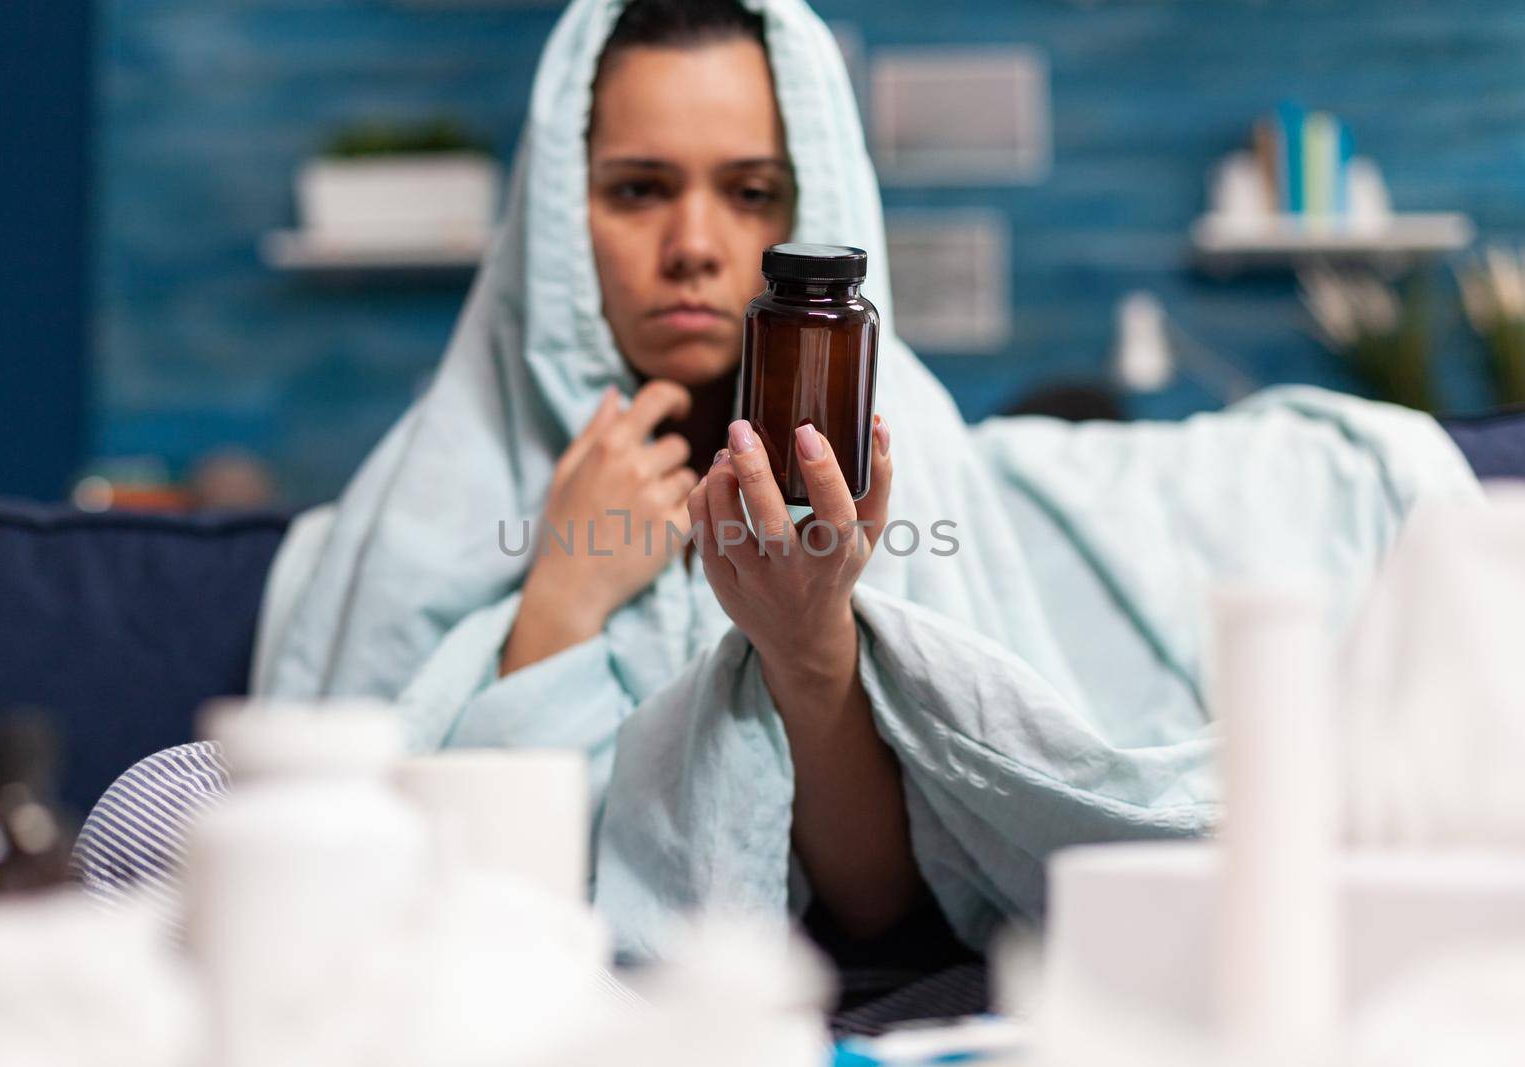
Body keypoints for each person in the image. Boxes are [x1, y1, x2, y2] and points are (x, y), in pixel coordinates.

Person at [76, 0, 1481, 1005]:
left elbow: (878, 914)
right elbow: (389, 859)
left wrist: (813, 643)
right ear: (561, 225)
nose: (695, 244)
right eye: (637, 190)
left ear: (811, 200)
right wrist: (563, 595)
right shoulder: (430, 506)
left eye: (749, 191)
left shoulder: (889, 459)